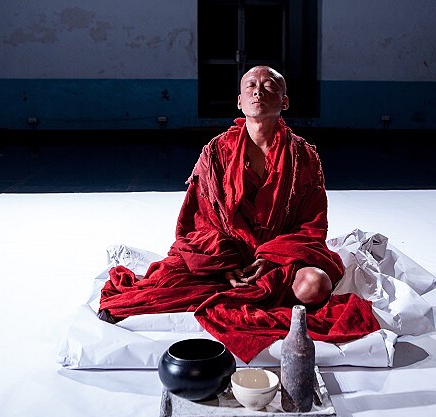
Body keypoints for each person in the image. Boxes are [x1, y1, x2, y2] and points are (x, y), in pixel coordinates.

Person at [98, 66, 379, 363]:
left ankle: (254, 287)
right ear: (239, 101)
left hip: (280, 259)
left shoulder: (303, 156)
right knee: (167, 281)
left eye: (269, 86)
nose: (258, 91)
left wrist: (271, 258)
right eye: (251, 86)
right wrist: (225, 262)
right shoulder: (216, 152)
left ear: (285, 101)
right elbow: (198, 220)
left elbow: (312, 226)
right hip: (223, 255)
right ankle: (243, 287)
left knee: (315, 285)